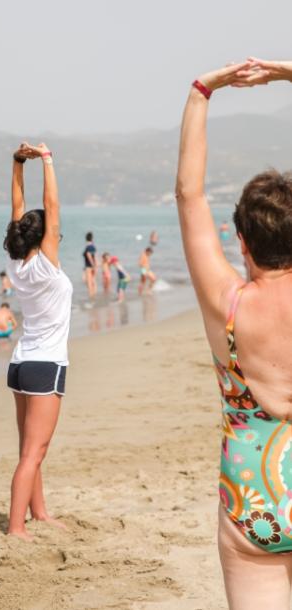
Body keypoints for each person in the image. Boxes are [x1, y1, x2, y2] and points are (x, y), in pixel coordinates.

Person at [176, 58, 292, 610]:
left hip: (253, 496)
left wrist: (203, 91)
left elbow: (189, 197)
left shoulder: (227, 303)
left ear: (240, 239)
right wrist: (287, 74)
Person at [3, 141, 72, 541]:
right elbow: (52, 204)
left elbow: (18, 210)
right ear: (45, 237)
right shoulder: (46, 264)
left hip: (20, 364)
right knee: (33, 452)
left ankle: (39, 511)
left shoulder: (17, 262)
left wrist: (16, 163)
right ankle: (16, 527)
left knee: (30, 448)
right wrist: (46, 159)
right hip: (45, 365)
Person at [83, 231, 97, 299]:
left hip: (89, 266)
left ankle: (91, 297)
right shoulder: (93, 246)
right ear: (92, 238)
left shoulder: (88, 247)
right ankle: (94, 296)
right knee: (93, 281)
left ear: (86, 238)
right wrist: (95, 265)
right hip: (92, 266)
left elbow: (89, 256)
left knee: (88, 282)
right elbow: (95, 256)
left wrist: (92, 265)